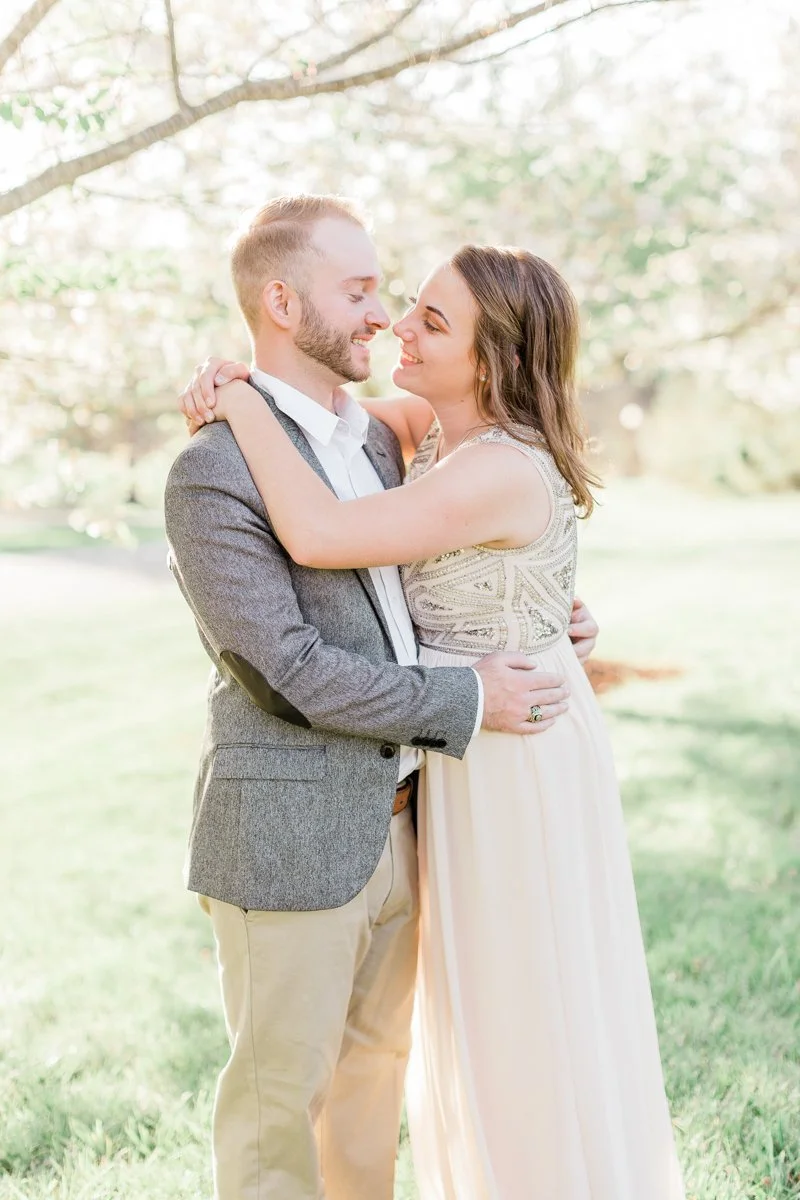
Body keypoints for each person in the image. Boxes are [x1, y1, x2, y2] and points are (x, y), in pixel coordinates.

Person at [181, 235, 685, 1198]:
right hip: (452, 750)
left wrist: (237, 400)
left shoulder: (492, 465)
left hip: (508, 754)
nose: (397, 326)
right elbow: (323, 426)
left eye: (431, 320)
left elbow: (320, 530)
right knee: (465, 1019)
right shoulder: (422, 427)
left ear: (490, 362)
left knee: (520, 1012)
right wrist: (236, 383)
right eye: (400, 301)